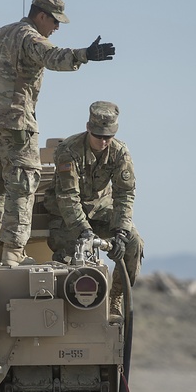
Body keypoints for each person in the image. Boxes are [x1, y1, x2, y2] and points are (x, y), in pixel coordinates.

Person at [0, 0, 115, 267]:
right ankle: (12, 252)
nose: (56, 28)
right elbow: (52, 56)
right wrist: (85, 55)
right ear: (41, 16)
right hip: (16, 125)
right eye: (55, 21)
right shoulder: (29, 37)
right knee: (22, 186)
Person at [42, 101, 142, 317]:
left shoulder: (120, 153)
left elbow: (124, 194)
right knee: (66, 260)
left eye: (109, 136)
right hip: (67, 215)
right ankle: (64, 309)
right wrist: (83, 231)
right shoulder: (68, 151)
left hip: (101, 210)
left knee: (134, 243)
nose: (104, 142)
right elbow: (67, 197)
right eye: (99, 136)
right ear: (88, 128)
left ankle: (116, 297)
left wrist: (121, 232)